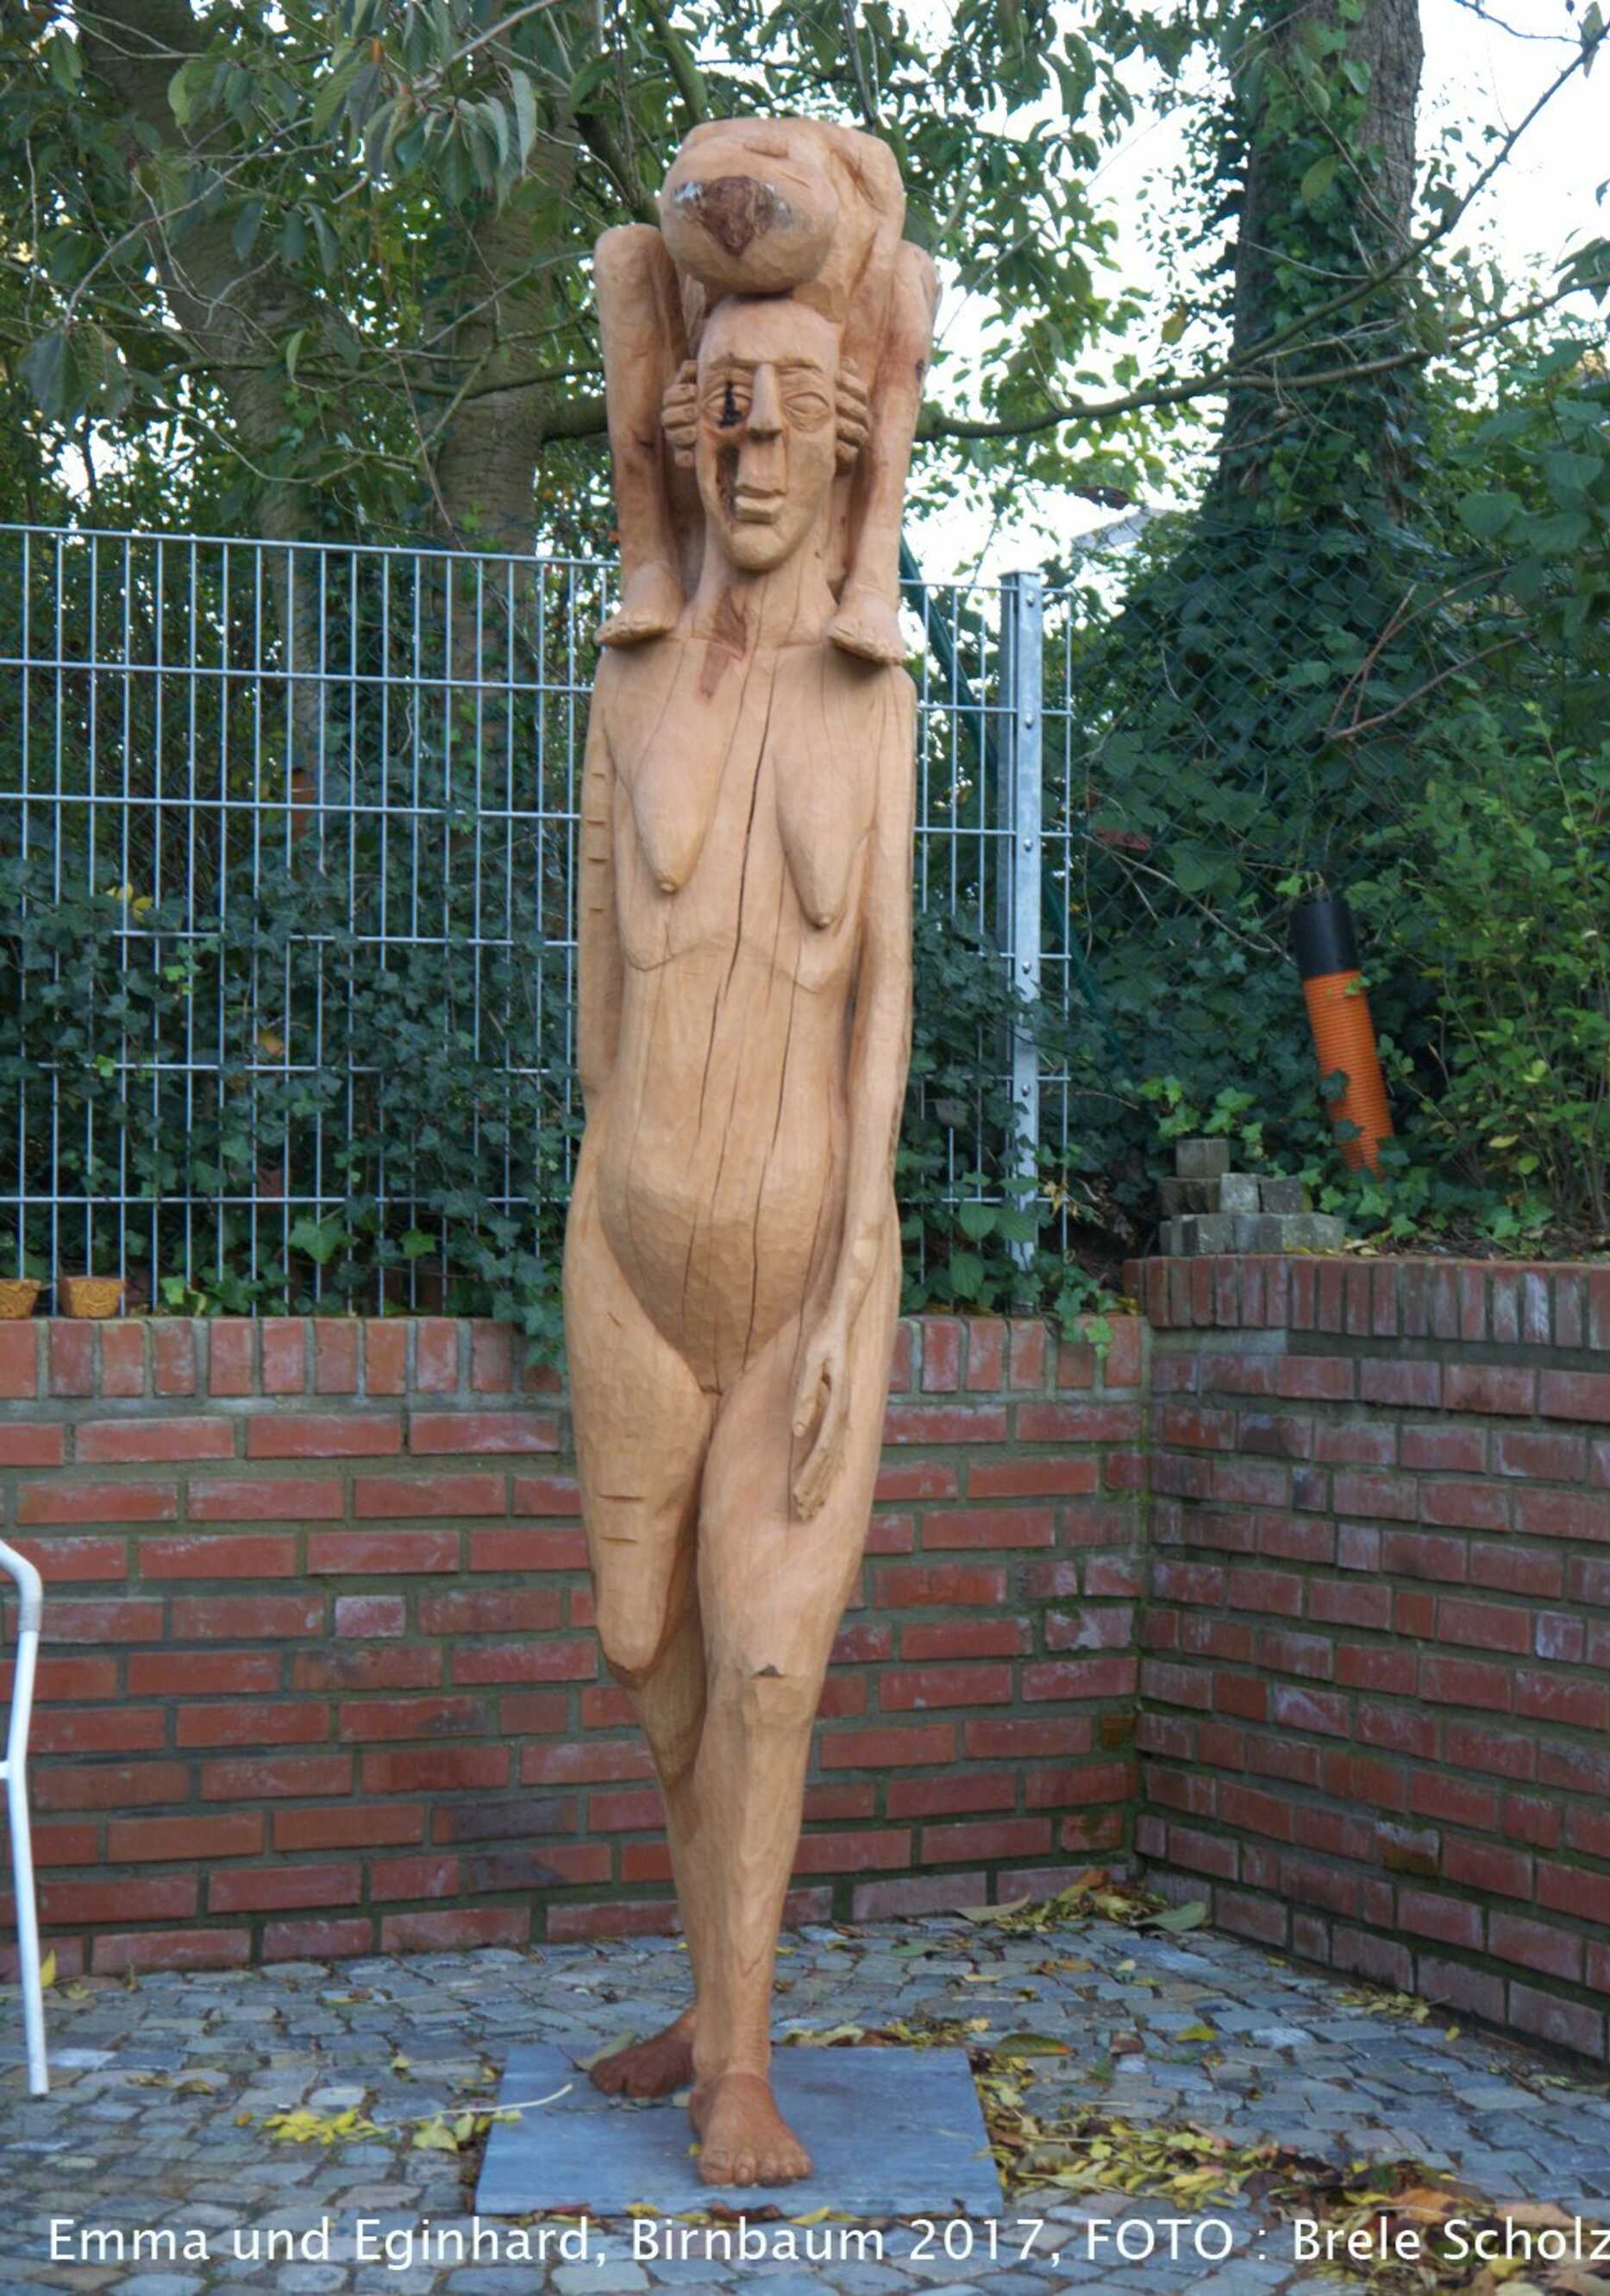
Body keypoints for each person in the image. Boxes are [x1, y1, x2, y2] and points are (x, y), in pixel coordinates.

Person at [562, 287, 915, 2186]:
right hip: (629, 1248)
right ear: (684, 434)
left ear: (851, 442)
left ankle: (743, 2065)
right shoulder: (625, 683)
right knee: (650, 1647)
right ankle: (712, 1995)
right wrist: (611, 1203)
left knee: (768, 1667)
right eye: (725, 406)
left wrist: (852, 1275)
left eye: (796, 408)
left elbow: (886, 1008)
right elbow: (597, 1004)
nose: (758, 443)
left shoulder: (876, 693)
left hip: (802, 1268)